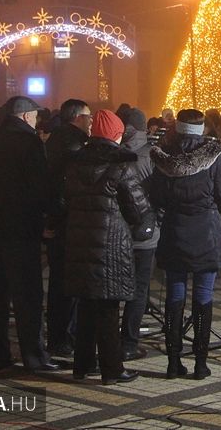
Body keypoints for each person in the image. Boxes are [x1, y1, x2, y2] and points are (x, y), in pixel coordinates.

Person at [0, 95, 56, 372]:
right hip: (21, 230)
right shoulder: (30, 144)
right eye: (36, 116)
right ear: (27, 115)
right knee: (27, 296)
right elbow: (41, 187)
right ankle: (33, 356)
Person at [64, 110, 148, 385]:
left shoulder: (75, 164)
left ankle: (83, 364)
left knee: (87, 303)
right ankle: (112, 369)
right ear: (116, 134)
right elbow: (136, 209)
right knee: (109, 308)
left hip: (80, 240)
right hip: (111, 243)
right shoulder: (121, 165)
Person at [150, 109, 221, 380]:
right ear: (201, 129)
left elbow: (157, 196)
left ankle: (173, 363)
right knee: (203, 296)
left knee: (175, 295)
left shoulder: (165, 158)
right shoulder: (214, 157)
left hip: (174, 232)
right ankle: (200, 363)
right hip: (205, 233)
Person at [43, 98, 92, 357]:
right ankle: (62, 338)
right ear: (77, 117)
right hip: (66, 223)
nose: (91, 120)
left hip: (58, 221)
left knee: (60, 282)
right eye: (88, 115)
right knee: (66, 284)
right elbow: (63, 188)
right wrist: (55, 219)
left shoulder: (57, 139)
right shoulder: (74, 144)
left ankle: (59, 335)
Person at [117, 108, 160, 362]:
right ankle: (128, 342)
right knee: (140, 288)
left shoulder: (118, 153)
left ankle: (111, 339)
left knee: (116, 286)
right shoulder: (152, 156)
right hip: (146, 233)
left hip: (119, 232)